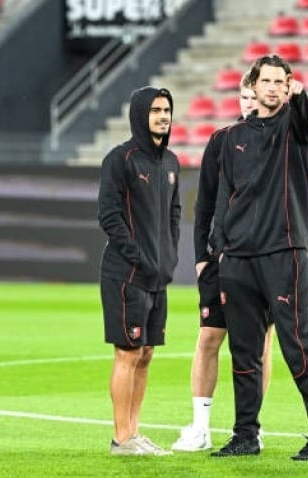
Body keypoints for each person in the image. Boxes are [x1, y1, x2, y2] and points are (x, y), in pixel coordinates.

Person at [209, 55, 308, 461]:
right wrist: (219, 252)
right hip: (239, 261)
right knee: (243, 352)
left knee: (298, 345)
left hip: (284, 255)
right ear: (253, 84)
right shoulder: (231, 138)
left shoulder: (294, 128)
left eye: (279, 82)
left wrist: (301, 97)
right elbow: (223, 200)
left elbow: (306, 116)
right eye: (264, 80)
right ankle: (245, 435)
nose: (271, 87)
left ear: (287, 87)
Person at [171, 71, 276, 452]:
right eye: (244, 97)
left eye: (255, 97)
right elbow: (204, 204)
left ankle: (252, 427)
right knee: (209, 338)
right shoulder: (222, 141)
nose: (249, 103)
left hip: (263, 260)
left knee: (261, 344)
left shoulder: (278, 141)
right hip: (222, 259)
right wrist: (201, 257)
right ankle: (200, 427)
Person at [97, 86, 181, 456]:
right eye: (155, 110)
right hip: (126, 275)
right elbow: (109, 216)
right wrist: (139, 257)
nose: (163, 116)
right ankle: (121, 438)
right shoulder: (120, 159)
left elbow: (175, 214)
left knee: (146, 354)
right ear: (139, 115)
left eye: (166, 110)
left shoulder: (172, 162)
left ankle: (135, 431)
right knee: (127, 353)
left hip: (157, 277)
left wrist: (169, 255)